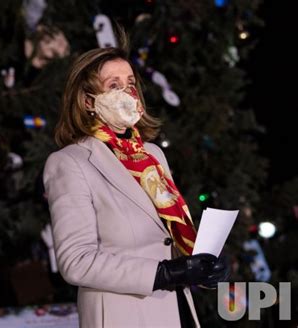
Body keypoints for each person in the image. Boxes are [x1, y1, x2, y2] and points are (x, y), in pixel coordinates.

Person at [42, 44, 230, 327]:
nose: (127, 92)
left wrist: (203, 264)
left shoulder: (151, 154)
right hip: (124, 315)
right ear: (88, 101)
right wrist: (164, 274)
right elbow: (76, 262)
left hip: (175, 310)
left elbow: (167, 235)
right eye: (113, 85)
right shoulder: (70, 162)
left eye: (130, 83)